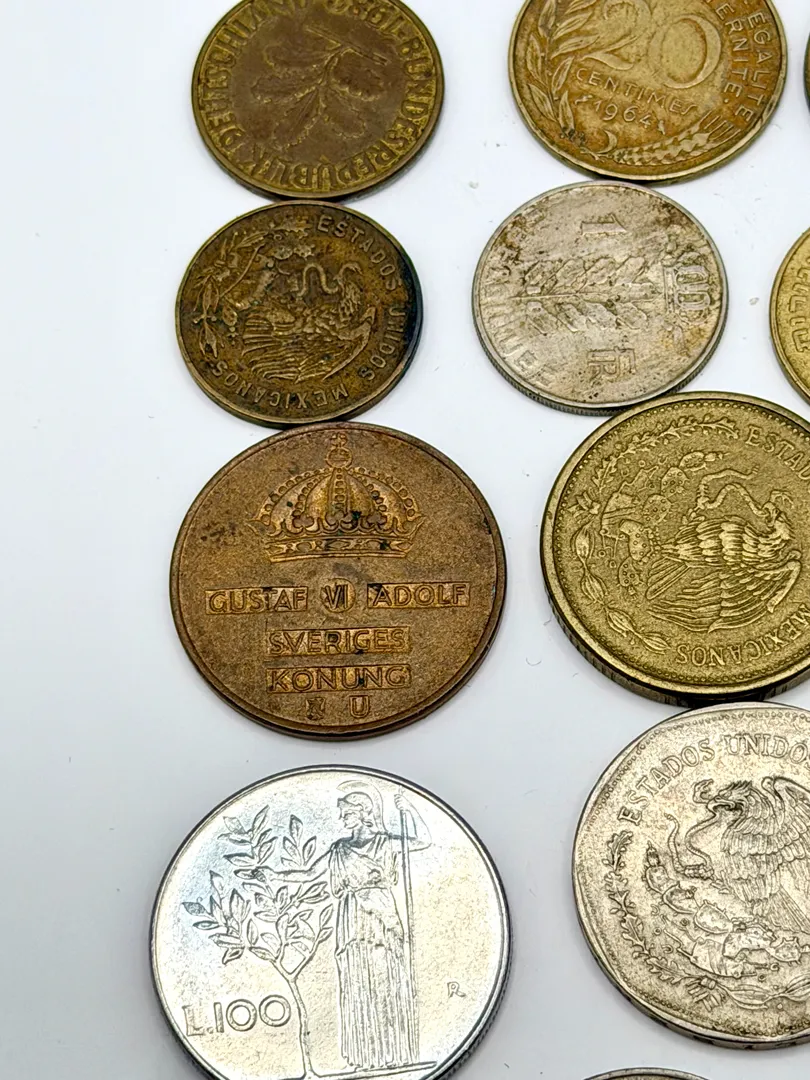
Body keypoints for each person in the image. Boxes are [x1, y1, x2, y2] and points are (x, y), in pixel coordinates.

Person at [274, 787, 431, 1074]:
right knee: (356, 981)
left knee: (386, 978)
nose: (342, 818)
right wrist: (273, 875)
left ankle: (395, 1054)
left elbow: (423, 840)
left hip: (380, 915)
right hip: (351, 917)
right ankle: (364, 1058)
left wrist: (409, 808)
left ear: (363, 813)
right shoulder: (339, 849)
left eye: (346, 813)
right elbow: (308, 875)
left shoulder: (385, 843)